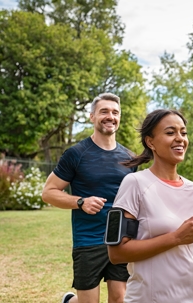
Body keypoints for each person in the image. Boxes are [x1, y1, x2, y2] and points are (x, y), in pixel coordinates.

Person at [107, 109, 193, 303]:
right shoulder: (134, 183)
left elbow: (191, 258)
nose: (180, 139)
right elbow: (117, 253)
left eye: (183, 133)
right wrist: (176, 237)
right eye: (170, 133)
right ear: (150, 142)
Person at [42, 93, 137, 303]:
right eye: (104, 111)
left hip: (120, 238)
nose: (110, 116)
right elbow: (48, 192)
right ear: (92, 116)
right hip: (88, 239)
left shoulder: (130, 158)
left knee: (120, 299)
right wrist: (80, 202)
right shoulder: (76, 154)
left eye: (115, 112)